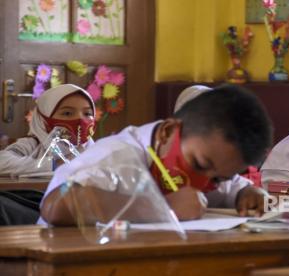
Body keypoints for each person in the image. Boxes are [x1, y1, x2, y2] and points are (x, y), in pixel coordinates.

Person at [40, 84, 273, 225]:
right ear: (168, 131)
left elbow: (235, 187)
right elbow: (56, 207)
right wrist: (163, 207)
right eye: (199, 164)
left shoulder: (213, 163)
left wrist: (250, 193)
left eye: (218, 179)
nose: (203, 183)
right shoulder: (115, 155)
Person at [0, 84, 96, 175]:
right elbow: (2, 162)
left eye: (87, 114)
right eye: (67, 113)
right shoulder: (33, 144)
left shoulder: (94, 149)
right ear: (43, 118)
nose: (80, 120)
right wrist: (55, 164)